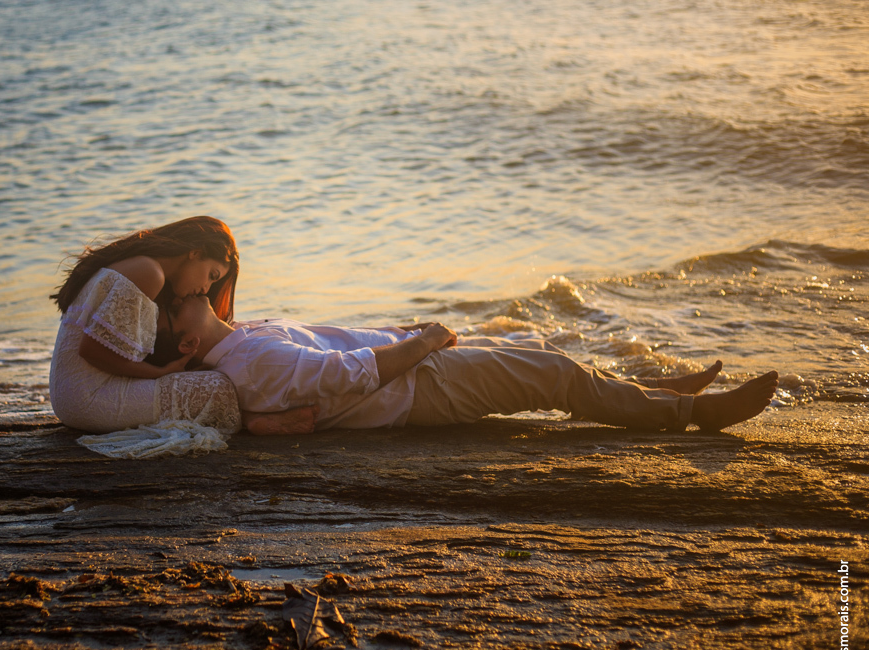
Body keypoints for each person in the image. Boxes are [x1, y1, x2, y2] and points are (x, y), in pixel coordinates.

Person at [152, 294, 779, 433]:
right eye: (173, 309)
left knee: (545, 361)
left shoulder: (244, 338)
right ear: (184, 345)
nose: (181, 298)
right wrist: (420, 344)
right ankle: (691, 413)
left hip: (416, 367)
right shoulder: (245, 361)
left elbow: (336, 350)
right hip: (414, 386)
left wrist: (408, 334)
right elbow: (345, 379)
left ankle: (653, 391)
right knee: (553, 374)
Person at [48, 217, 314, 435]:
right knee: (218, 386)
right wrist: (159, 372)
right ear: (194, 253)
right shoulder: (149, 272)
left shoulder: (141, 266)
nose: (206, 289)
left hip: (72, 395)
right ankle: (256, 420)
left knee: (205, 377)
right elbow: (92, 352)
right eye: (211, 276)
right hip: (88, 400)